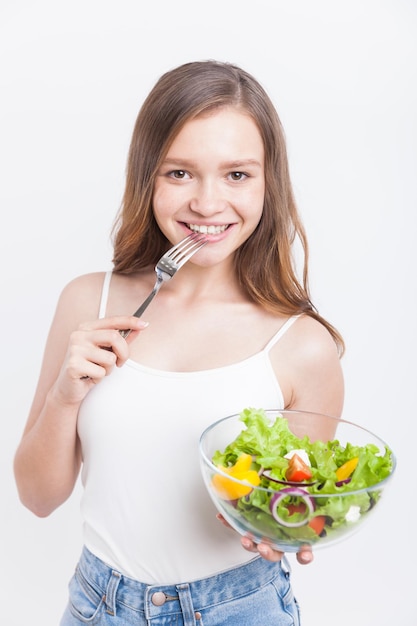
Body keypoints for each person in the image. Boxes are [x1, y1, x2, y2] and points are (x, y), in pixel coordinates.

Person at [14, 60, 344, 625]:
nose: (207, 204)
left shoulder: (302, 347)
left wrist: (284, 526)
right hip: (97, 606)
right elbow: (38, 498)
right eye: (179, 173)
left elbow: (289, 512)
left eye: (237, 175)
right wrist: (65, 395)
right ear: (147, 177)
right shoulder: (89, 303)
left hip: (239, 609)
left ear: (270, 183)